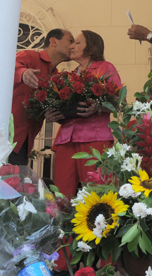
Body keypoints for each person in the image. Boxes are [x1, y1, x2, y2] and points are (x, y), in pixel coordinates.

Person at [50, 30, 122, 197]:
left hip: (94, 137)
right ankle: (63, 223)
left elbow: (119, 102)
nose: (72, 46)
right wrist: (54, 114)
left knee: (97, 190)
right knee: (62, 192)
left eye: (77, 42)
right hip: (66, 137)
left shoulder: (106, 67)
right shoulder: (72, 74)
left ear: (91, 47)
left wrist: (98, 107)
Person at [10, 29, 75, 165]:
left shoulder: (57, 78)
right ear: (53, 41)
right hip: (7, 134)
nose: (73, 45)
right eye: (70, 40)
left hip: (26, 140)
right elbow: (8, 68)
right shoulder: (30, 56)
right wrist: (23, 73)